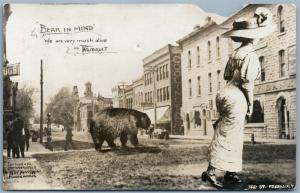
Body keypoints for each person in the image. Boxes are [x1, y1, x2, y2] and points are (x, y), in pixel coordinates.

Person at [201, 7, 275, 188]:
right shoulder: (250, 55)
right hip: (237, 96)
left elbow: (227, 76)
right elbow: (247, 84)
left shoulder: (235, 53)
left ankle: (230, 172)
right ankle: (211, 173)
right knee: (228, 136)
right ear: (252, 36)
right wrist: (250, 104)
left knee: (230, 133)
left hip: (225, 93)